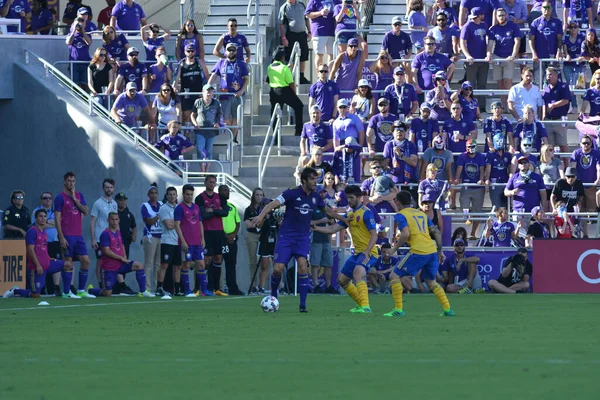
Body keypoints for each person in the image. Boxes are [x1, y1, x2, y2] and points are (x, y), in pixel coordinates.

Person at [251, 167, 339, 312]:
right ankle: (274, 298)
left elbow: (328, 211)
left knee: (303, 266)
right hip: (286, 237)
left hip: (302, 238)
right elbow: (273, 204)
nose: (315, 182)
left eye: (316, 179)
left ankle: (303, 305)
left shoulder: (316, 197)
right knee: (278, 269)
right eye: (312, 179)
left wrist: (343, 219)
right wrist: (260, 216)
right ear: (304, 180)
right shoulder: (291, 192)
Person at [385, 190, 453, 316]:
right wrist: (440, 251)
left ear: (397, 202)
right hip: (432, 250)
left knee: (393, 276)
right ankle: (448, 309)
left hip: (418, 251)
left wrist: (394, 249)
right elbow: (436, 232)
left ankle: (398, 310)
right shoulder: (421, 214)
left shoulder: (400, 215)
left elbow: (405, 233)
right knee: (431, 282)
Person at [312, 184, 377, 312]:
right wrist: (317, 228)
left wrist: (367, 251)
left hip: (369, 253)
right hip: (357, 253)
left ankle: (365, 306)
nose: (349, 200)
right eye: (348, 198)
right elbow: (333, 228)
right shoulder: (349, 214)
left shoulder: (366, 213)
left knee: (357, 274)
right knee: (342, 281)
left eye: (352, 197)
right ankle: (361, 303)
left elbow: (374, 235)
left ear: (360, 197)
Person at [2, 209, 75, 299]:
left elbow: (43, 249)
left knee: (68, 265)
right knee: (35, 295)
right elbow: (30, 250)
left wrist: (49, 257)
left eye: (44, 216)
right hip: (36, 268)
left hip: (47, 264)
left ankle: (67, 293)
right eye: (40, 216)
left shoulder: (44, 232)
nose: (43, 218)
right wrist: (38, 265)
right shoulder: (32, 232)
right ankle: (15, 291)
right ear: (35, 218)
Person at [86, 212, 154, 298]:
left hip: (120, 264)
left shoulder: (118, 232)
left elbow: (121, 245)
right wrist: (121, 257)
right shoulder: (105, 234)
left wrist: (124, 256)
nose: (114, 222)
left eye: (116, 219)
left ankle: (143, 291)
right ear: (108, 220)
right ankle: (90, 290)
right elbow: (106, 251)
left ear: (119, 220)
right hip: (109, 267)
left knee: (139, 266)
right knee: (107, 294)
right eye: (112, 219)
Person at [54, 172, 95, 298]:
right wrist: (61, 237)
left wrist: (75, 199)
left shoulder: (79, 196)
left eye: (73, 181)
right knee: (68, 263)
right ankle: (66, 292)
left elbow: (86, 211)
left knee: (86, 261)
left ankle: (81, 290)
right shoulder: (59, 198)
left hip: (78, 235)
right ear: (64, 182)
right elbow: (57, 218)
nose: (71, 183)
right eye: (69, 181)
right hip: (67, 235)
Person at [208, 42, 249, 143]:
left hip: (237, 95)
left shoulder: (241, 64)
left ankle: (233, 139)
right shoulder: (221, 63)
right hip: (224, 95)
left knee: (236, 118)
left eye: (233, 50)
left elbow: (247, 79)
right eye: (229, 50)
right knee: (226, 119)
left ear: (236, 51)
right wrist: (207, 87)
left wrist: (241, 91)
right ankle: (228, 138)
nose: (231, 52)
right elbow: (213, 76)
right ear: (225, 52)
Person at [195, 175, 229, 296]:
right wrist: (217, 211)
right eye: (209, 182)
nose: (211, 184)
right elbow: (202, 215)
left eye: (213, 182)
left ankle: (216, 288)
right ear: (205, 183)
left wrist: (213, 211)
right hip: (207, 232)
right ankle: (198, 288)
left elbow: (225, 213)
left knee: (218, 258)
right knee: (205, 260)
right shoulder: (200, 198)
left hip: (219, 232)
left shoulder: (220, 197)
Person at [174, 184, 207, 297]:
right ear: (183, 194)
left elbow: (200, 223)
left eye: (191, 194)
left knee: (201, 264)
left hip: (197, 242)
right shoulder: (179, 208)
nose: (189, 196)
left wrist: (202, 238)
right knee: (186, 265)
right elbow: (177, 225)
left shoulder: (196, 207)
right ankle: (187, 290)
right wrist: (182, 241)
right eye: (187, 194)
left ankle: (204, 290)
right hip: (187, 243)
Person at [487, 7, 522, 109]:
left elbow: (517, 41)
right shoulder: (493, 29)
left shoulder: (513, 27)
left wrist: (513, 55)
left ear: (506, 15)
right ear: (496, 17)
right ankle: (504, 106)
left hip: (509, 58)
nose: (501, 17)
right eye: (499, 15)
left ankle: (511, 107)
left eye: (503, 15)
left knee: (508, 83)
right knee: (500, 84)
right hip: (497, 57)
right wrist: (489, 53)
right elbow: (490, 44)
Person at [268, 48, 305, 137]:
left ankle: (276, 136)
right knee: (299, 106)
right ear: (282, 58)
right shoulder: (284, 68)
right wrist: (294, 94)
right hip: (284, 90)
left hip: (273, 91)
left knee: (275, 113)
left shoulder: (269, 67)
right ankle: (298, 131)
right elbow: (291, 83)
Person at [455, 139, 486, 239]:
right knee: (464, 203)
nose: (471, 149)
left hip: (477, 187)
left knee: (477, 212)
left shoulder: (480, 156)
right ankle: (467, 217)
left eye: (472, 146)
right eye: (469, 147)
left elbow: (482, 169)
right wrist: (456, 179)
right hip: (466, 185)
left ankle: (473, 233)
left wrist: (481, 180)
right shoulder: (462, 156)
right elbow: (459, 168)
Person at [89, 178, 118, 286]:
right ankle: (101, 283)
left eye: (111, 187)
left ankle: (109, 283)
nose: (109, 189)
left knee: (110, 260)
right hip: (100, 237)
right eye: (107, 187)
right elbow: (92, 222)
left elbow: (116, 222)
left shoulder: (114, 203)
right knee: (100, 261)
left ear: (113, 188)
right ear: (103, 188)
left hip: (112, 238)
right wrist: (93, 239)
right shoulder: (98, 203)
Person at [31, 192, 61, 295]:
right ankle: (41, 288)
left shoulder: (55, 210)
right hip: (41, 244)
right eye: (45, 198)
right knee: (42, 266)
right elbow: (37, 225)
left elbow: (60, 223)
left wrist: (49, 223)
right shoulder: (36, 211)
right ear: (41, 200)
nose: (47, 200)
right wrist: (53, 223)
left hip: (54, 241)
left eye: (49, 198)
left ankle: (55, 287)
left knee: (54, 264)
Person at [460, 7, 489, 110]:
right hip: (472, 61)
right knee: (470, 85)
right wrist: (467, 55)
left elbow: (488, 41)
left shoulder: (484, 25)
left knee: (482, 84)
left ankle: (481, 107)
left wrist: (488, 53)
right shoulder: (467, 26)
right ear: (480, 15)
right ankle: (469, 106)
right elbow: (462, 42)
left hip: (483, 59)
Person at [174, 43, 210, 123]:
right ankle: (187, 134)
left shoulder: (200, 63)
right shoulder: (181, 64)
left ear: (195, 51)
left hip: (198, 92)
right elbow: (176, 78)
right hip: (186, 93)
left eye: (192, 51)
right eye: (188, 51)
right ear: (185, 52)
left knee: (197, 115)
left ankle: (195, 134)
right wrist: (175, 87)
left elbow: (207, 77)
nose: (190, 53)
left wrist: (205, 90)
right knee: (187, 115)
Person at [309, 186, 336, 293]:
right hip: (316, 238)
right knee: (315, 264)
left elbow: (333, 221)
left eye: (324, 193)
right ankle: (316, 285)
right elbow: (309, 223)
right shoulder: (312, 207)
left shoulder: (327, 207)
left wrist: (331, 222)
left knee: (328, 264)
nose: (323, 194)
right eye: (321, 193)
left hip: (326, 239)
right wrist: (322, 220)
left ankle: (328, 286)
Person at [529, 1, 563, 83]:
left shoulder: (557, 22)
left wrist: (559, 51)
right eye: (544, 7)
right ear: (541, 9)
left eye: (549, 7)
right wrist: (534, 54)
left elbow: (559, 39)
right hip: (539, 57)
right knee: (538, 83)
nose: (546, 9)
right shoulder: (535, 22)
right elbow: (531, 40)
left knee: (554, 83)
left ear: (552, 9)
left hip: (553, 57)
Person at [383, 122, 419, 198]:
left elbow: (414, 163)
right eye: (396, 130)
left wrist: (401, 156)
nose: (399, 132)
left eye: (402, 130)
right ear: (392, 132)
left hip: (410, 180)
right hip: (395, 182)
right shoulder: (389, 145)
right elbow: (385, 164)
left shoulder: (411, 145)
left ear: (405, 132)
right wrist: (390, 170)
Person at [279, 0, 311, 84]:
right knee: (290, 56)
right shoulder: (284, 7)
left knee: (303, 55)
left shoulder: (302, 5)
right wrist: (283, 38)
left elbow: (306, 19)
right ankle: (290, 78)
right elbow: (281, 24)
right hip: (291, 34)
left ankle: (301, 76)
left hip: (302, 34)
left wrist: (309, 31)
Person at [219, 185, 243, 295]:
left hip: (232, 239)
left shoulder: (232, 207)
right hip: (220, 238)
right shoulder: (217, 207)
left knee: (231, 264)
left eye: (228, 191)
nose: (227, 193)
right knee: (217, 263)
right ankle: (217, 287)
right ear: (219, 192)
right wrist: (225, 235)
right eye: (224, 190)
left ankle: (233, 287)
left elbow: (238, 223)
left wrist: (233, 235)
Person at [191, 84, 222, 170]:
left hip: (211, 130)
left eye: (211, 91)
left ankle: (207, 169)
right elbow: (192, 115)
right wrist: (195, 124)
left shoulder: (216, 103)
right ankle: (202, 168)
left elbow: (219, 115)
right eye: (207, 91)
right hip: (200, 129)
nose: (209, 93)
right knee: (199, 149)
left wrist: (217, 123)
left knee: (209, 150)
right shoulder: (198, 102)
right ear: (203, 92)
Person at [157, 186, 181, 297]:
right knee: (164, 265)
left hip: (178, 241)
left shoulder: (179, 208)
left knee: (177, 266)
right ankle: (159, 288)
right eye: (170, 194)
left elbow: (181, 224)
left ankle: (177, 289)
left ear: (177, 196)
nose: (172, 196)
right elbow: (168, 225)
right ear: (167, 196)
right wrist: (177, 223)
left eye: (174, 194)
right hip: (167, 241)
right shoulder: (163, 208)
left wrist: (175, 223)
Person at [542, 66, 571, 157]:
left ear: (556, 75)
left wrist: (554, 105)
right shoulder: (546, 88)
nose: (548, 77)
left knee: (563, 145)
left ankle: (566, 168)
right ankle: (553, 167)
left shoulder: (563, 86)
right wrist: (543, 116)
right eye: (547, 75)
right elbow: (544, 103)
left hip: (560, 120)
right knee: (550, 147)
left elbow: (566, 100)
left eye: (550, 74)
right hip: (548, 120)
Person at [569, 135, 600, 218]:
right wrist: (572, 180)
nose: (586, 145)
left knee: (591, 210)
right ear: (580, 144)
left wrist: (598, 179)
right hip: (579, 185)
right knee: (579, 210)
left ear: (591, 144)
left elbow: (598, 168)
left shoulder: (596, 153)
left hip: (591, 185)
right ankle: (582, 229)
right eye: (584, 143)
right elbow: (572, 167)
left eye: (588, 143)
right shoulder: (576, 153)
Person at [140, 183, 162, 294]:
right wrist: (159, 215)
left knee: (158, 264)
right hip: (150, 236)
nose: (154, 195)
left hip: (161, 236)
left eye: (156, 193)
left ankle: (157, 287)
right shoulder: (145, 206)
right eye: (151, 193)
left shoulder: (161, 205)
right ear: (148, 194)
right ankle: (147, 288)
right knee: (148, 263)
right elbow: (149, 221)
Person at [304, 0, 338, 70]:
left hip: (332, 30)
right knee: (320, 54)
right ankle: (320, 76)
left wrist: (358, 2)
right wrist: (320, 13)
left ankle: (329, 77)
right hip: (319, 31)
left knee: (332, 54)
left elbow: (345, 3)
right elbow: (307, 15)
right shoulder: (314, 0)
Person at [563, 21, 586, 114]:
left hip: (579, 65)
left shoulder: (582, 37)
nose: (573, 29)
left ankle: (583, 109)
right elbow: (565, 49)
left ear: (578, 28)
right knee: (571, 87)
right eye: (571, 27)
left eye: (575, 27)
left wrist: (582, 56)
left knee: (580, 87)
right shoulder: (566, 38)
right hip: (568, 65)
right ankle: (574, 106)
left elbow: (585, 49)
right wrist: (567, 55)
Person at [485, 134, 512, 208]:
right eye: (497, 141)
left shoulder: (507, 155)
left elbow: (510, 169)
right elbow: (488, 168)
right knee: (496, 206)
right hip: (495, 182)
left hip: (505, 182)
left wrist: (510, 181)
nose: (499, 143)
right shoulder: (490, 154)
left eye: (501, 141)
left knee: (506, 206)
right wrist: (487, 179)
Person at [65, 16, 92, 90]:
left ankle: (86, 100)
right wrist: (74, 30)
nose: (79, 26)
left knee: (85, 84)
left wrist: (83, 31)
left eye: (80, 24)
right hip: (74, 63)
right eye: (77, 24)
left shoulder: (86, 34)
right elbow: (68, 42)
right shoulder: (71, 34)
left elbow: (89, 42)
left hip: (85, 63)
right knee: (75, 85)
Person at [540, 143, 565, 209]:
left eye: (553, 150)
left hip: (554, 186)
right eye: (550, 150)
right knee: (544, 207)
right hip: (544, 187)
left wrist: (562, 183)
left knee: (552, 208)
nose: (553, 151)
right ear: (545, 151)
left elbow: (561, 173)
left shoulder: (557, 161)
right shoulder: (540, 163)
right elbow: (538, 175)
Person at [115, 192, 136, 259]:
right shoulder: (113, 213)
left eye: (124, 200)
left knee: (125, 259)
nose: (123, 202)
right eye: (120, 200)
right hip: (115, 241)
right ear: (116, 201)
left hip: (126, 242)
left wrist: (134, 235)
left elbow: (134, 226)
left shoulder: (129, 214)